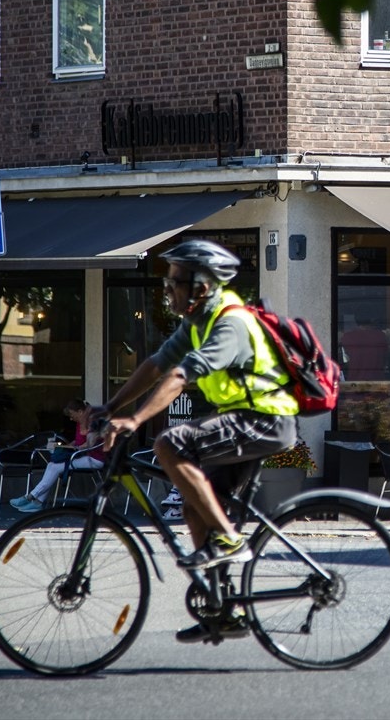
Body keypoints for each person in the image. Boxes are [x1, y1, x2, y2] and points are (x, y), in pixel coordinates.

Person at [94, 240, 297, 644]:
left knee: (169, 443)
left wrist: (135, 420)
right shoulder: (197, 322)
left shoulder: (230, 324)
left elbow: (182, 375)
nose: (167, 290)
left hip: (266, 421)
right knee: (194, 508)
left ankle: (229, 538)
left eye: (174, 283)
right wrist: (111, 406)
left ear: (201, 288)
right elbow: (157, 365)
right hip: (240, 420)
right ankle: (223, 609)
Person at [9, 399, 107, 512]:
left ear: (80, 412)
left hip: (94, 459)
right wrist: (66, 446)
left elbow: (90, 442)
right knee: (51, 464)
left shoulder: (92, 422)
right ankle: (38, 502)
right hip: (82, 456)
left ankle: (30, 496)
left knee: (56, 467)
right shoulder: (80, 424)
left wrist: (74, 448)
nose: (71, 418)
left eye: (72, 414)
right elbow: (78, 440)